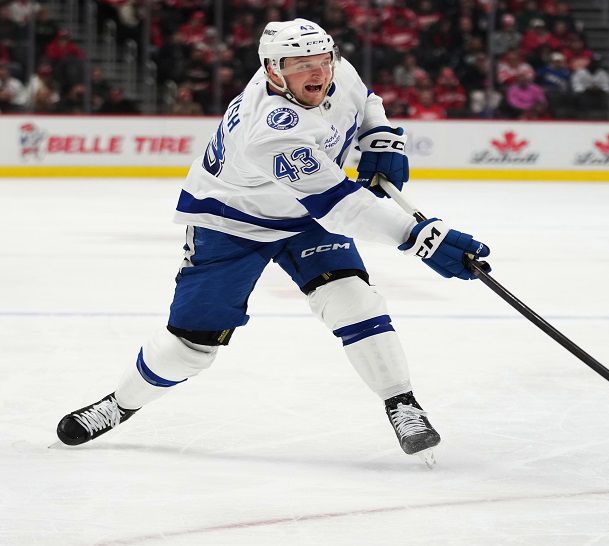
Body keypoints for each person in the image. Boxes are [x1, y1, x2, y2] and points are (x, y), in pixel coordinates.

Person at [54, 18, 491, 466]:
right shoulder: (270, 130)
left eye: (323, 60)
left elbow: (367, 101)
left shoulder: (336, 71)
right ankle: (120, 403)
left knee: (353, 300)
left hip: (304, 215)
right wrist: (418, 237)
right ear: (272, 71)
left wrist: (379, 137)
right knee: (188, 349)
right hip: (233, 221)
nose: (319, 73)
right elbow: (339, 204)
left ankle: (402, 404)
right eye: (302, 65)